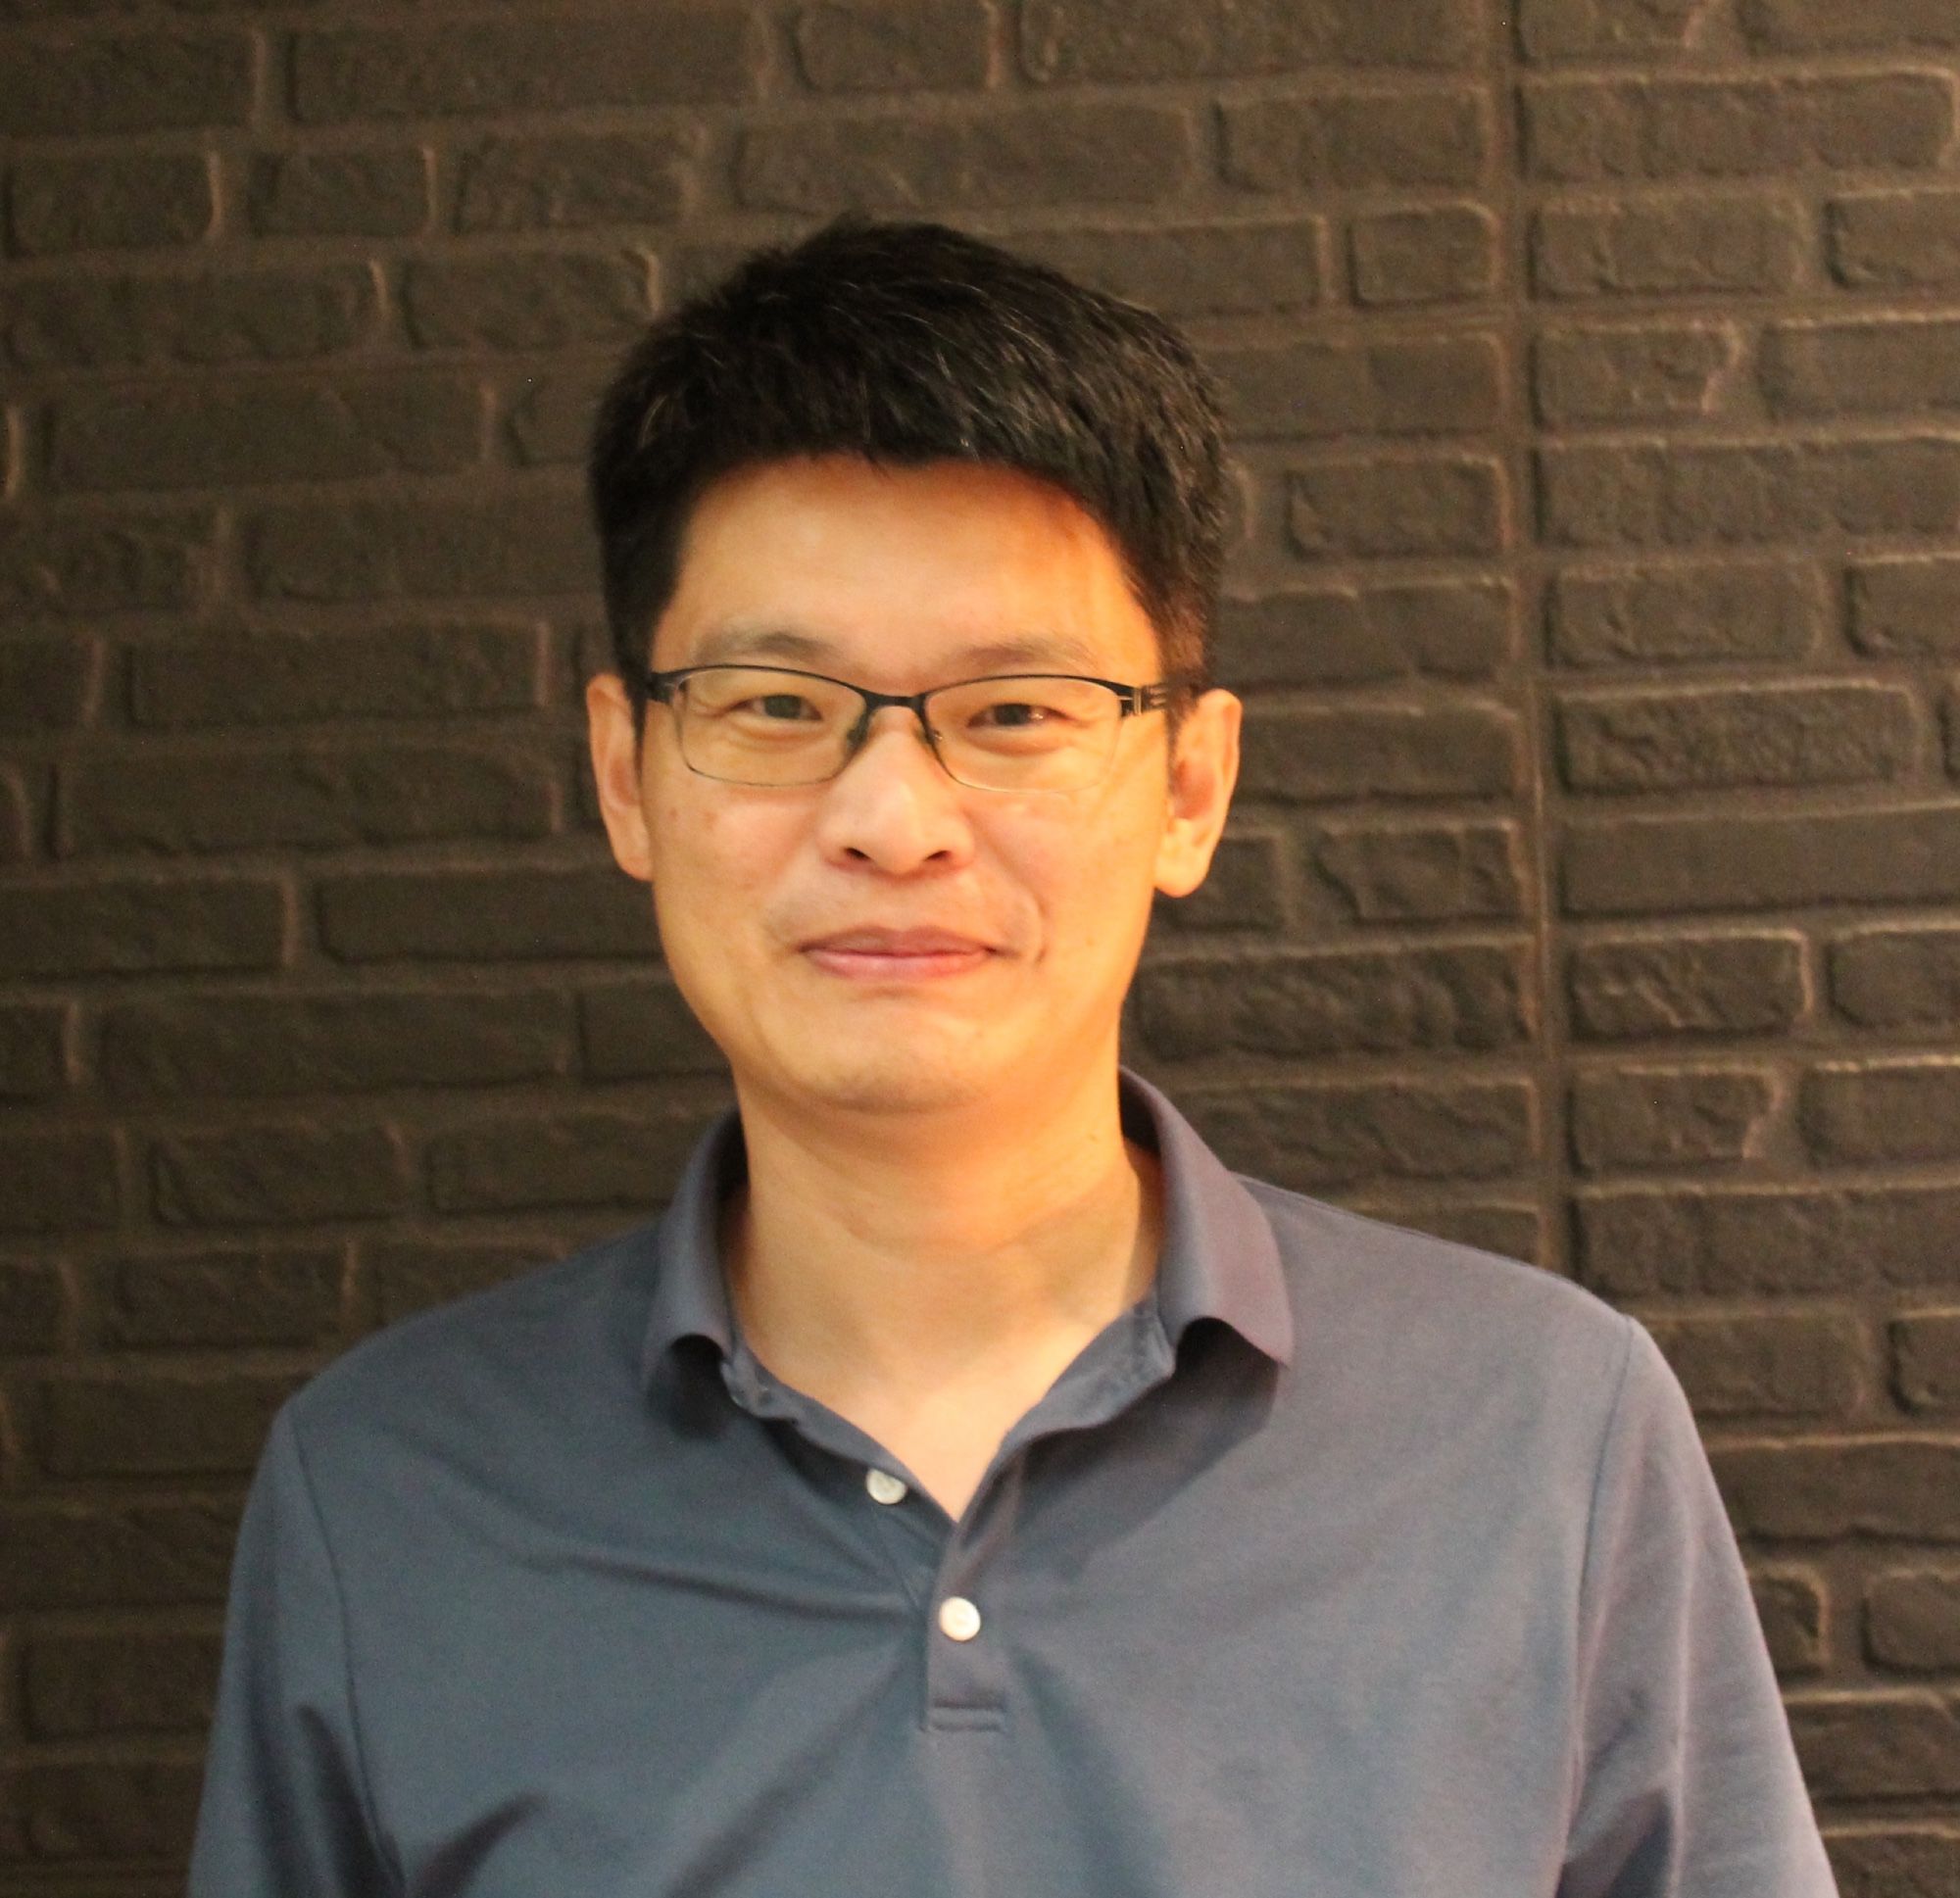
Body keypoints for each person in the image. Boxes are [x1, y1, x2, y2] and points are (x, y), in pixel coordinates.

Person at [188, 219, 1838, 1897]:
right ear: (625, 772)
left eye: (1018, 711)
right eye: (775, 705)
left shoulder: (1546, 1429)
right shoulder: (385, 1491)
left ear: (1189, 785)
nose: (894, 819)